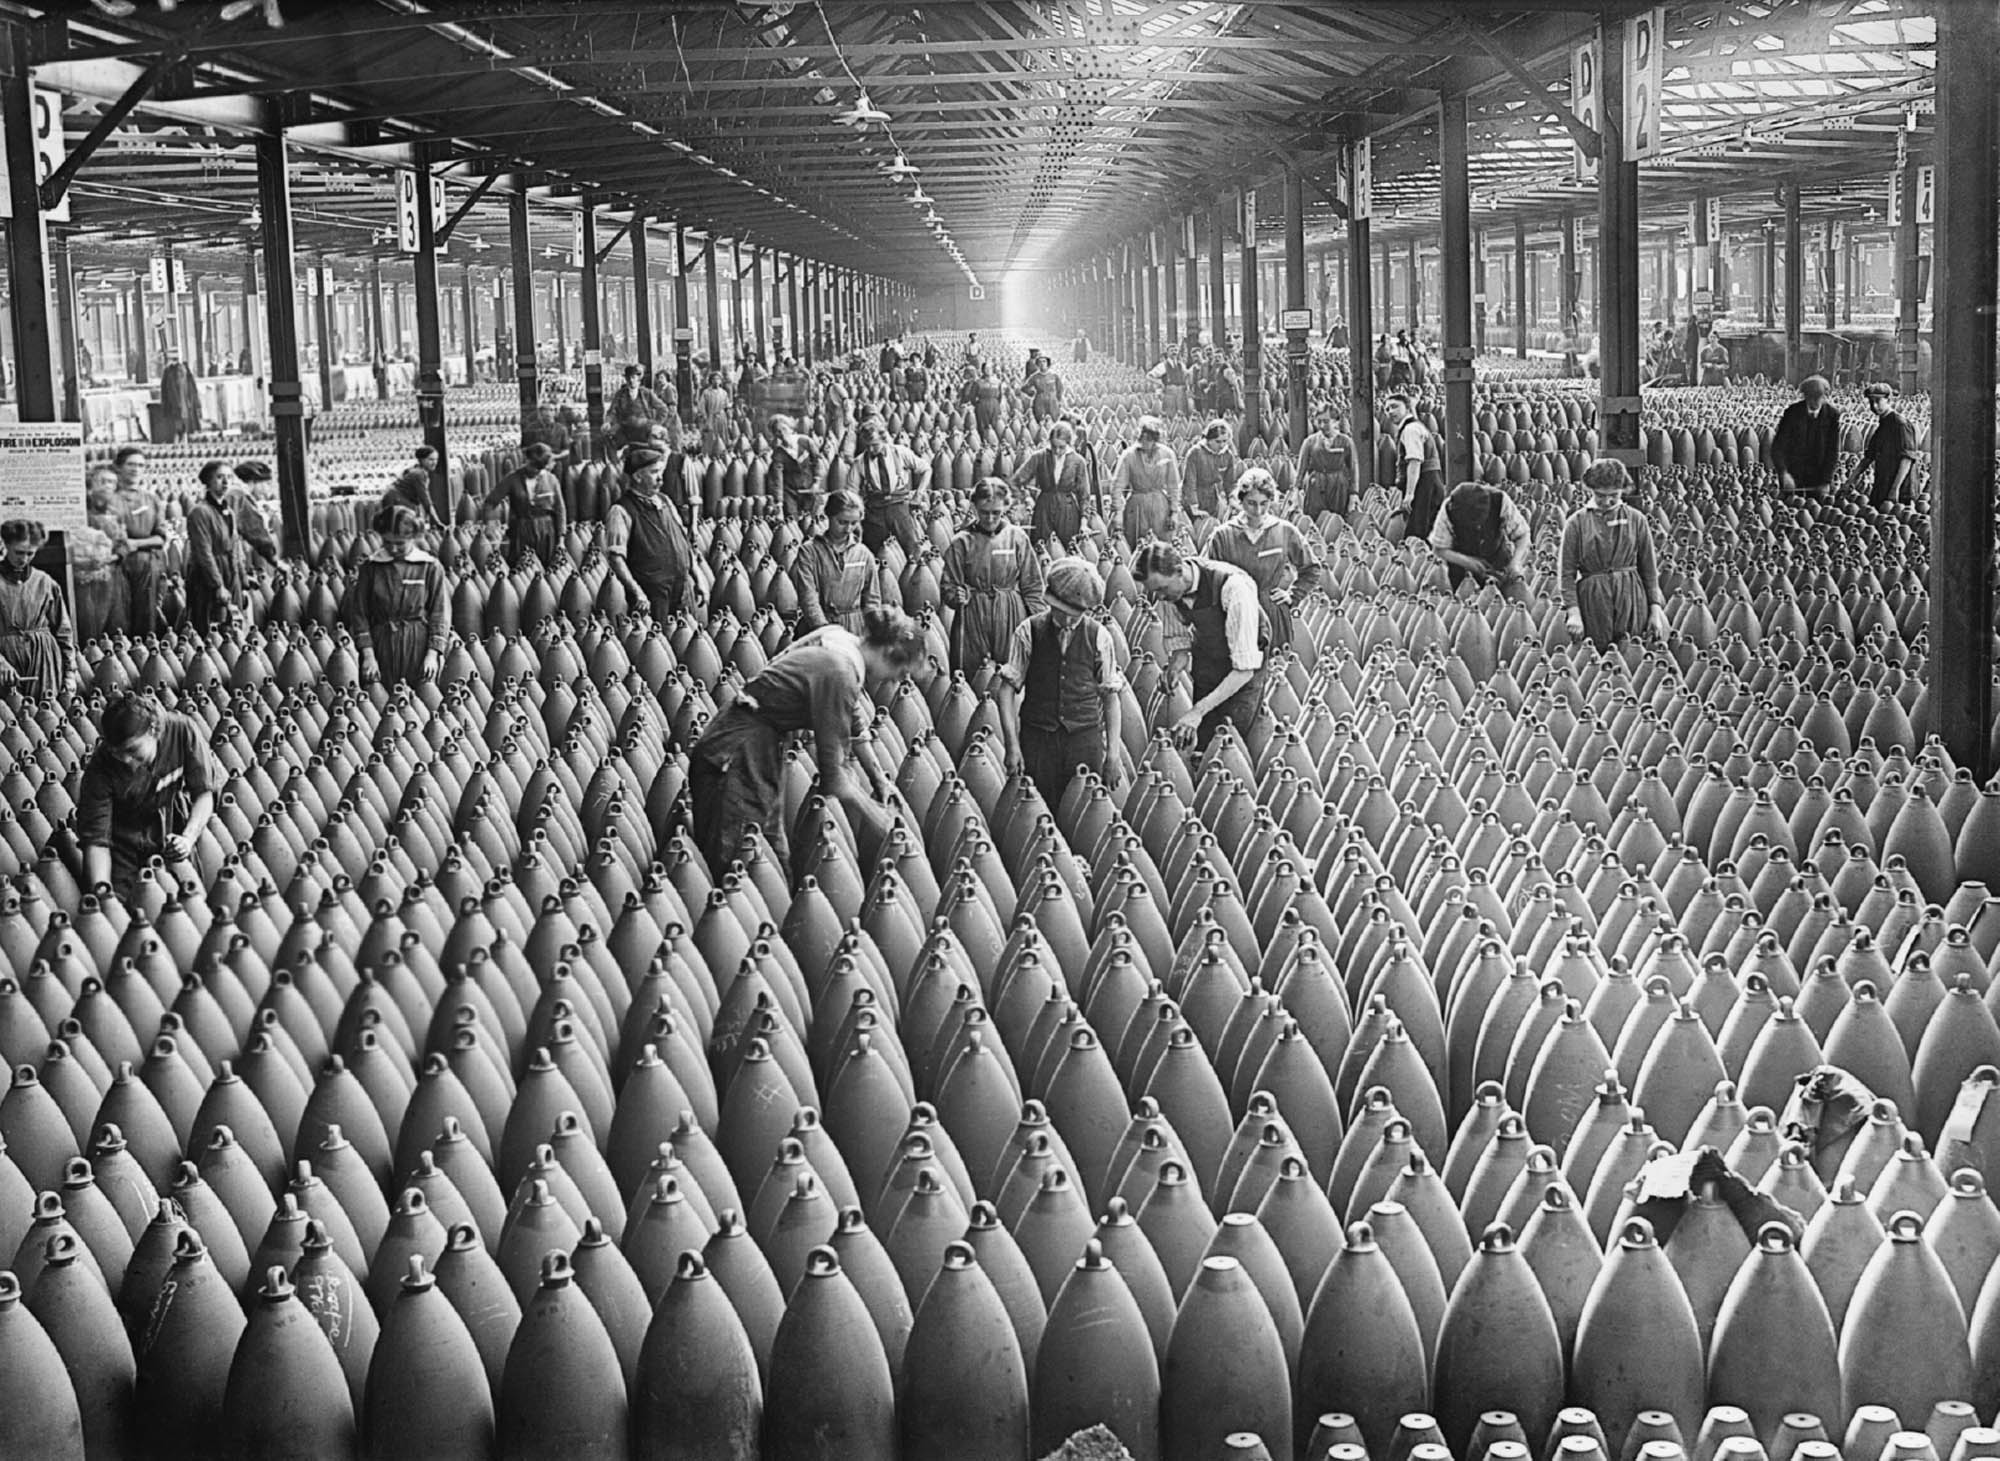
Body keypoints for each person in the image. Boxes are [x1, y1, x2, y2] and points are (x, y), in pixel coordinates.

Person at [687, 607, 922, 878]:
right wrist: (879, 819)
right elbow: (835, 779)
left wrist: (878, 778)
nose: (896, 680)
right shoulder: (840, 672)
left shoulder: (839, 640)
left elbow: (853, 716)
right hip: (735, 754)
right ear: (886, 653)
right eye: (900, 670)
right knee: (738, 864)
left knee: (769, 857)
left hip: (757, 745)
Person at [993, 557, 1127, 810]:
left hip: (1083, 740)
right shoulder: (1027, 632)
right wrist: (1011, 745)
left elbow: (1111, 698)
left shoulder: (1099, 637)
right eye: (1060, 612)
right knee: (1037, 811)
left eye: (1074, 615)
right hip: (1038, 739)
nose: (1066, 621)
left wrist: (1113, 754)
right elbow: (1006, 691)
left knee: (1085, 814)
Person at [76, 691, 217, 902]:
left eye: (132, 750)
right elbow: (97, 842)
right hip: (122, 839)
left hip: (169, 826)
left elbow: (204, 793)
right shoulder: (100, 769)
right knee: (124, 906)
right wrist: (102, 894)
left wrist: (187, 838)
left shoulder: (181, 731)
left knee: (189, 901)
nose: (125, 760)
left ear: (153, 730)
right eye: (117, 752)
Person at [1134, 542, 1268, 751]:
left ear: (1180, 571)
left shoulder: (1234, 589)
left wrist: (1197, 711)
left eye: (1162, 589)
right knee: (1203, 736)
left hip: (1243, 665)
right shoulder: (1170, 594)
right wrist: (1175, 667)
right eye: (1154, 592)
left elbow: (1244, 670)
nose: (1159, 598)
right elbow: (1180, 644)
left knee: (1229, 738)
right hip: (1209, 654)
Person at [1200, 468, 1323, 651]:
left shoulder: (1284, 531)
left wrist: (1292, 595)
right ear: (1240, 501)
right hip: (1235, 616)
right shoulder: (1223, 536)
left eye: (1264, 503)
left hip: (1273, 614)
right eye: (1251, 503)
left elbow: (1311, 568)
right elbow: (1205, 578)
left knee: (1275, 672)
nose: (1257, 511)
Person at [940, 479, 1045, 677]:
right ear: (975, 507)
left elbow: (1032, 585)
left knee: (1012, 672)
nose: (989, 519)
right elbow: (948, 586)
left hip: (1010, 613)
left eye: (996, 513)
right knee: (973, 673)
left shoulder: (1017, 538)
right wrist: (957, 595)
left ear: (1005, 507)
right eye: (984, 512)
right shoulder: (961, 542)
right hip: (973, 614)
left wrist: (1039, 626)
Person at [1561, 459, 1669, 650]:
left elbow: (1649, 571)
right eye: (1600, 495)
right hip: (1593, 600)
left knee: (1632, 651)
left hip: (1631, 596)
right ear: (1591, 490)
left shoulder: (1637, 519)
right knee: (1597, 653)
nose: (1607, 501)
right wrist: (1573, 612)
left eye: (1614, 495)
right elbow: (1566, 574)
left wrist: (1655, 610)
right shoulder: (1576, 523)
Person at [345, 503, 451, 688]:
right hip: (382, 647)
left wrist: (433, 654)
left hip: (418, 645)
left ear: (414, 537)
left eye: (400, 544)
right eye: (387, 542)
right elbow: (359, 614)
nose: (393, 549)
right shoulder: (371, 568)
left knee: (421, 703)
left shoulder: (430, 567)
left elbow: (440, 612)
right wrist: (368, 656)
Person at [605, 442, 698, 621]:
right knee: (658, 643)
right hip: (651, 596)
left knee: (684, 641)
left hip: (681, 588)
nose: (660, 479)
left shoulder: (666, 501)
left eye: (660, 472)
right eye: (654, 473)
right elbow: (616, 559)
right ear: (638, 477)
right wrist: (637, 592)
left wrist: (698, 577)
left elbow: (684, 541)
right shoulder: (621, 511)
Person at [0, 521, 76, 700]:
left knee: (44, 716)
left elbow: (63, 631)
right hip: (6, 661)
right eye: (19, 552)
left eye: (30, 553)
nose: (24, 559)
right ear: (5, 546)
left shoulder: (45, 582)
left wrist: (70, 673)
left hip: (44, 661)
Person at [1429, 479, 1534, 602]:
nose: (1478, 528)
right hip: (1462, 569)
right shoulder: (1449, 509)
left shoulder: (1500, 500)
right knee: (1466, 610)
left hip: (1497, 561)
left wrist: (1515, 563)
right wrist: (1468, 562)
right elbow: (1439, 549)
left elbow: (1523, 534)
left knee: (1503, 605)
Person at [792, 491, 880, 634]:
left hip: (855, 628)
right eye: (842, 522)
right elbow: (808, 596)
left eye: (854, 523)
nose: (848, 529)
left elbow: (872, 600)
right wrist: (823, 630)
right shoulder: (809, 551)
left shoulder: (863, 554)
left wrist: (873, 632)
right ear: (829, 516)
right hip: (819, 627)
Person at [852, 419, 930, 559]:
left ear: (883, 439)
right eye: (867, 446)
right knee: (871, 554)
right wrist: (857, 515)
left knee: (913, 552)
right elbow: (851, 492)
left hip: (899, 509)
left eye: (874, 445)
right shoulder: (859, 462)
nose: (871, 450)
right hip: (874, 512)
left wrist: (918, 494)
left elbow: (926, 469)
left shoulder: (900, 453)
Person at [184, 460, 249, 631]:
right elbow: (203, 553)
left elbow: (236, 548)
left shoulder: (229, 513)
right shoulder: (199, 512)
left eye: (229, 477)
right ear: (208, 482)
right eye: (220, 477)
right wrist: (217, 585)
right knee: (210, 627)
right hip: (206, 578)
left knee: (234, 626)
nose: (226, 482)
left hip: (230, 573)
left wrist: (242, 581)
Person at [481, 441, 568, 566]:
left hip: (546, 533)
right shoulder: (512, 479)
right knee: (521, 570)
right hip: (521, 532)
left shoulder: (551, 480)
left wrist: (561, 539)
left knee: (546, 571)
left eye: (538, 469)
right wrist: (490, 524)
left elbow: (560, 509)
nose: (534, 471)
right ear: (527, 461)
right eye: (531, 466)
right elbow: (490, 502)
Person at [110, 447, 167, 637]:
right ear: (118, 467)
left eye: (141, 465)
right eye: (131, 464)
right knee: (119, 618)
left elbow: (160, 538)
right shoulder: (109, 499)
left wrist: (135, 544)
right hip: (116, 566)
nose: (136, 469)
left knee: (147, 618)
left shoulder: (152, 500)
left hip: (147, 566)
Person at [1011, 420, 1091, 548]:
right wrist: (1025, 499)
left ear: (1069, 444)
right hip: (1044, 510)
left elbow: (1084, 495)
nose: (1057, 451)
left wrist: (1084, 523)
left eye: (1062, 447)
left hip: (1068, 513)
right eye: (1054, 446)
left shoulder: (1078, 461)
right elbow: (1016, 481)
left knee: (1068, 548)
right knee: (1041, 548)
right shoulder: (1039, 457)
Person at [1384, 394, 1446, 542]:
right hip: (1428, 482)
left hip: (1424, 484)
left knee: (1418, 534)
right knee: (1428, 529)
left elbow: (1414, 461)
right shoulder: (1414, 426)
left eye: (1395, 406)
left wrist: (1410, 494)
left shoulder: (1410, 429)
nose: (1390, 412)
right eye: (1387, 409)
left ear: (1407, 408)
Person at [1110, 416, 1181, 545]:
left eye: (1150, 439)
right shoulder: (1129, 455)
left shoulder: (1167, 454)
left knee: (1161, 547)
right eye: (1143, 438)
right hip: (1136, 508)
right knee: (1137, 544)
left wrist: (1174, 512)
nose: (1146, 442)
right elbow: (1117, 486)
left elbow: (1173, 486)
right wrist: (1118, 513)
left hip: (1160, 508)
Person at [1846, 382, 1917, 509]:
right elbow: (1868, 458)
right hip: (1883, 483)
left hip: (1900, 489)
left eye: (1878, 401)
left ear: (1888, 400)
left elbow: (1907, 459)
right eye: (1871, 402)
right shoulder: (1882, 425)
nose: (1874, 405)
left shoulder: (1900, 424)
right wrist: (1850, 480)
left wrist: (1895, 489)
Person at [79, 469, 131, 641]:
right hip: (85, 577)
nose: (108, 486)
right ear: (91, 485)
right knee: (89, 623)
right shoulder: (80, 512)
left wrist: (114, 558)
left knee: (115, 622)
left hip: (113, 574)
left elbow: (123, 543)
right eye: (103, 481)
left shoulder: (116, 513)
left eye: (112, 482)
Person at [1771, 376, 1840, 498]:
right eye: (1810, 398)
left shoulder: (1832, 415)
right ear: (1805, 396)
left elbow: (1832, 451)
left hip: (1818, 476)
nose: (1814, 402)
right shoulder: (1792, 412)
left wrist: (1826, 481)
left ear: (1825, 396)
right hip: (1794, 475)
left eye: (1818, 398)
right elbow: (1778, 446)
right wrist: (1783, 473)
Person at [1295, 405, 1357, 519]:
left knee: (1337, 519)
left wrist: (1353, 494)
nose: (1322, 426)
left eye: (1326, 421)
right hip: (1316, 486)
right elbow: (1301, 468)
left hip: (1339, 486)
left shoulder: (1346, 442)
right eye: (1319, 422)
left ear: (1336, 422)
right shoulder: (1310, 442)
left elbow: (1353, 469)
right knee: (1315, 518)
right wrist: (1297, 490)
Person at [770, 414, 831, 519]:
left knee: (811, 519)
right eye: (778, 431)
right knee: (792, 520)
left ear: (790, 428)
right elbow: (777, 479)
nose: (783, 434)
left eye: (784, 429)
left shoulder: (806, 441)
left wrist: (816, 482)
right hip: (790, 492)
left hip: (809, 488)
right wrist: (779, 501)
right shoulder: (778, 454)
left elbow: (817, 461)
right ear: (775, 435)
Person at [1183, 418, 1238, 525]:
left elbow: (1230, 482)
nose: (1221, 445)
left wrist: (1232, 499)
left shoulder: (1227, 455)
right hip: (1192, 497)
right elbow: (1190, 483)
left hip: (1211, 497)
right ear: (1208, 439)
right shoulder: (1195, 453)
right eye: (1217, 441)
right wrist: (1194, 507)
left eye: (1224, 441)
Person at [611, 365, 669, 451]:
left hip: (645, 431)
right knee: (612, 446)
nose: (631, 380)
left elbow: (663, 409)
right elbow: (612, 412)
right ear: (626, 380)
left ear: (638, 379)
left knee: (660, 448)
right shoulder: (620, 395)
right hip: (626, 432)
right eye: (628, 378)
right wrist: (610, 423)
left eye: (633, 377)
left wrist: (656, 423)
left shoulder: (646, 393)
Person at [1156, 346, 1190, 418]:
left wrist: (1187, 386)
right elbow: (1149, 376)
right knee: (1170, 414)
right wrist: (1160, 384)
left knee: (1182, 414)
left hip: (1181, 392)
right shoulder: (1162, 365)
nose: (1174, 352)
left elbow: (1186, 376)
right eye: (1172, 350)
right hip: (1170, 392)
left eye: (1176, 350)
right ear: (1167, 353)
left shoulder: (1181, 365)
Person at [1028, 357, 1064, 423]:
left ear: (1048, 363)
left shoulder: (1054, 376)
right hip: (1040, 402)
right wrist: (1032, 393)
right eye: (1040, 362)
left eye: (1044, 361)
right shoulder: (1034, 377)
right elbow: (1025, 388)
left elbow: (1060, 388)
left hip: (1053, 402)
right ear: (1037, 364)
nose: (1042, 363)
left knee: (1054, 420)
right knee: (1040, 421)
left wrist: (1059, 400)